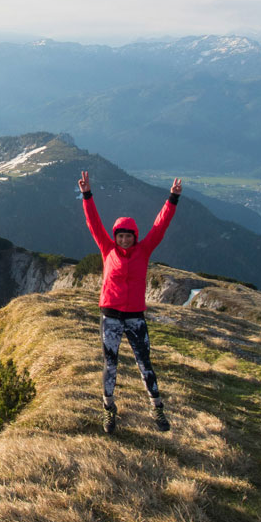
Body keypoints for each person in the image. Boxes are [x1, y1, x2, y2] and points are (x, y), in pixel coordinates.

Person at [77, 169, 182, 434]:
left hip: (135, 315)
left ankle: (157, 408)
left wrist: (172, 199)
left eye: (128, 236)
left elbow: (160, 226)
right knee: (110, 364)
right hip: (110, 314)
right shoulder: (107, 248)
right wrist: (87, 195)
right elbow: (93, 223)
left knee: (144, 363)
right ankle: (109, 410)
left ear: (135, 236)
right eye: (120, 235)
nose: (124, 239)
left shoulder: (144, 250)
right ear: (115, 236)